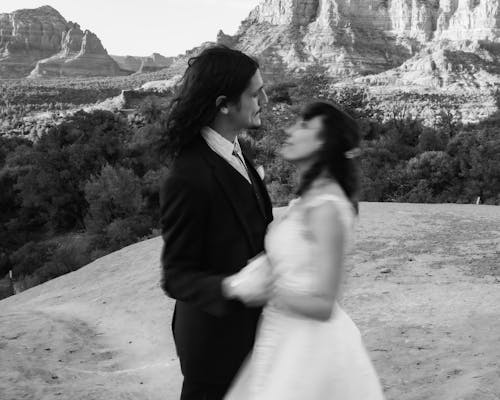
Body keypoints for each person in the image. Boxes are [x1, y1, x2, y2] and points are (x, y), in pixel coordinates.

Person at [225, 101, 385, 399]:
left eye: (303, 125)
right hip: (280, 334)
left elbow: (324, 305)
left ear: (325, 143)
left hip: (309, 347)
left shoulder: (327, 208)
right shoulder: (308, 200)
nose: (289, 130)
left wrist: (265, 288)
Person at [159, 45, 274, 400]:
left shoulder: (238, 150)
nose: (265, 100)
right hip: (213, 348)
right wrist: (235, 286)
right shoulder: (188, 175)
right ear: (224, 104)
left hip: (253, 338)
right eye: (255, 93)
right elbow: (176, 276)